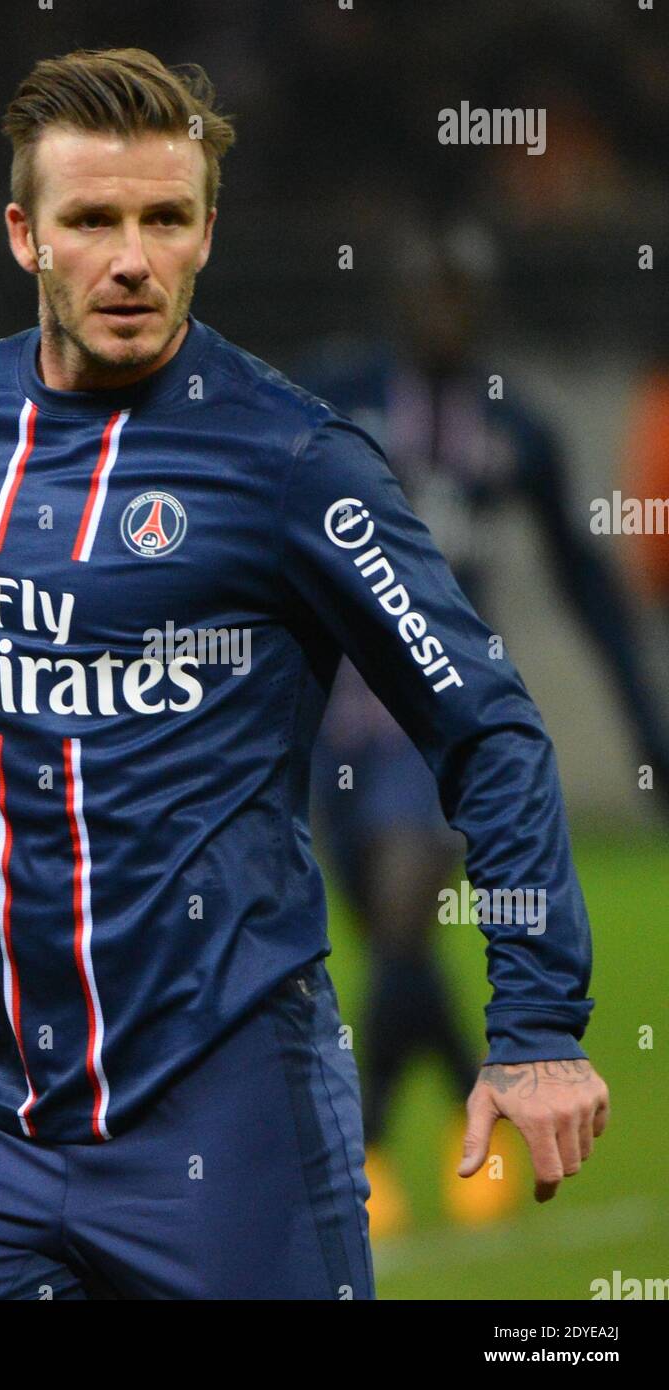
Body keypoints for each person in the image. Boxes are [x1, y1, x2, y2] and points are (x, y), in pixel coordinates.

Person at [0, 47, 608, 1301]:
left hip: (234, 1123)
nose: (130, 257)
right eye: (91, 219)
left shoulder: (294, 460)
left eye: (165, 217)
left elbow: (490, 727)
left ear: (208, 232)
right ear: (22, 235)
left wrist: (534, 1028)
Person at [294, 229, 664, 1234]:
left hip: (439, 728)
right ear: (399, 299)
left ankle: (362, 1151)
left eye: (461, 297)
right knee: (389, 953)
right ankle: (471, 1091)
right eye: (429, 294)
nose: (443, 315)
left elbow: (582, 582)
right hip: (334, 731)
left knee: (407, 919)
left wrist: (644, 726)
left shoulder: (512, 429)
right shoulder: (339, 396)